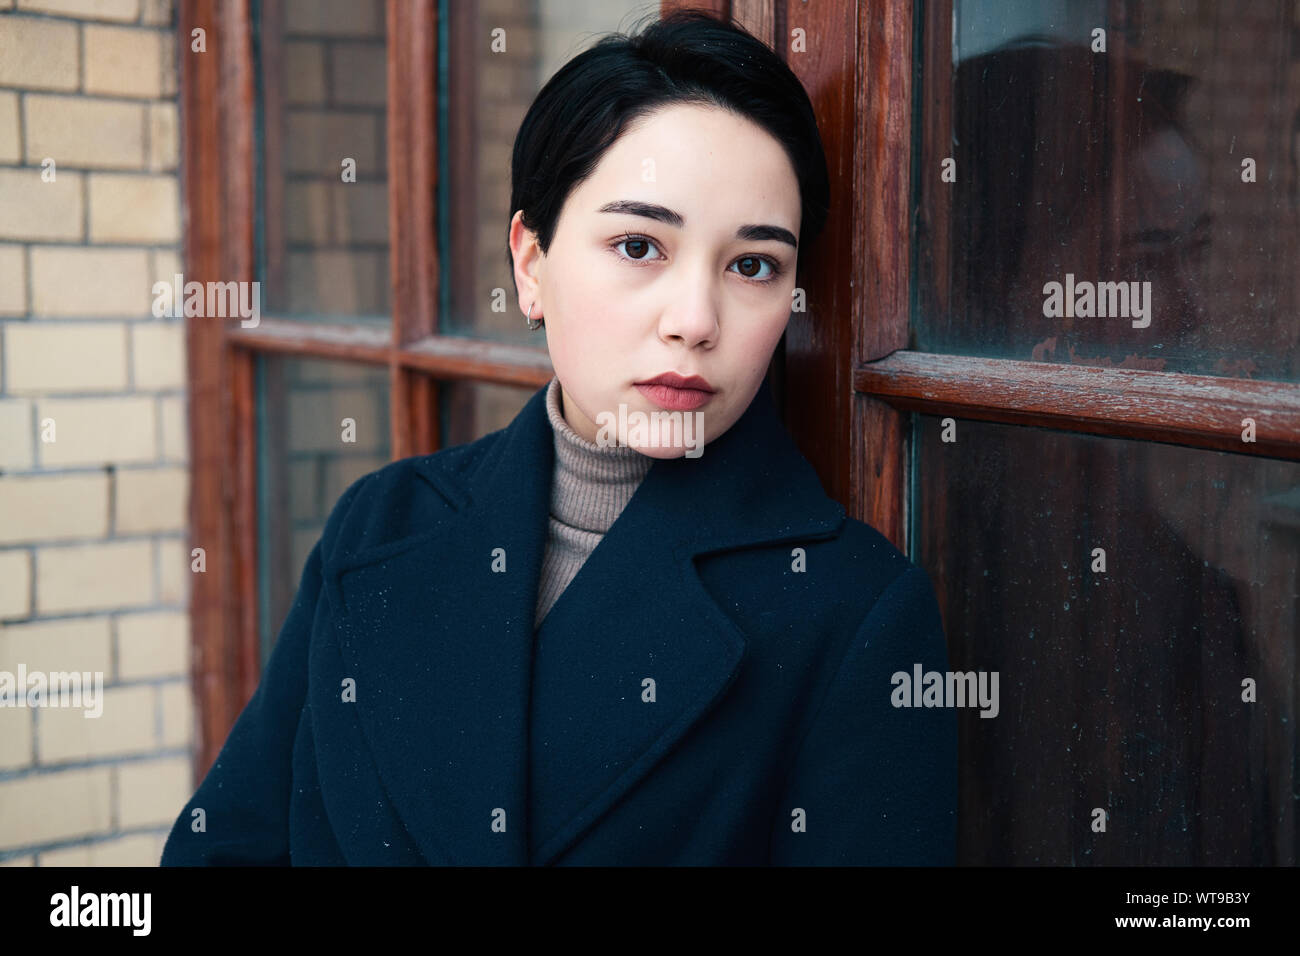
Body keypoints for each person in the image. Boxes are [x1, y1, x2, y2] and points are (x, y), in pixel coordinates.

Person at [161, 8, 956, 867]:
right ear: (530, 264)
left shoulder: (854, 613)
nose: (694, 321)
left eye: (753, 265)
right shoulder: (380, 527)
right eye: (638, 244)